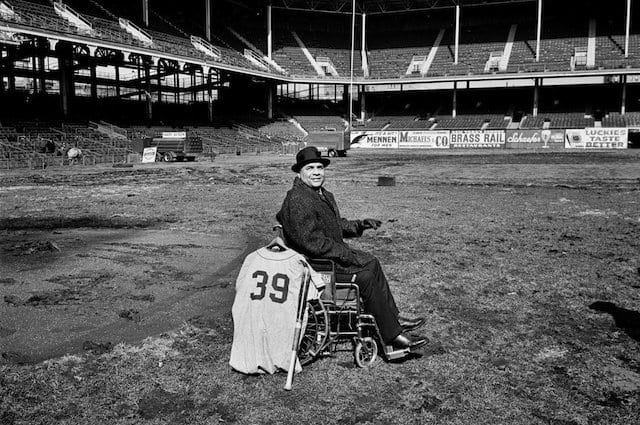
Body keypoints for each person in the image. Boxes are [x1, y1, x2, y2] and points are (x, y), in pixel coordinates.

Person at [276, 146, 427, 350]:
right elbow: (311, 243)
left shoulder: (320, 194)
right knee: (364, 278)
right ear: (300, 172)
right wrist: (344, 254)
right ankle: (392, 336)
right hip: (317, 266)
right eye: (310, 168)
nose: (317, 172)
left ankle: (393, 318)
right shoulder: (298, 200)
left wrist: (359, 225)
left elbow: (335, 224)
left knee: (372, 262)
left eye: (320, 167)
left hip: (328, 257)